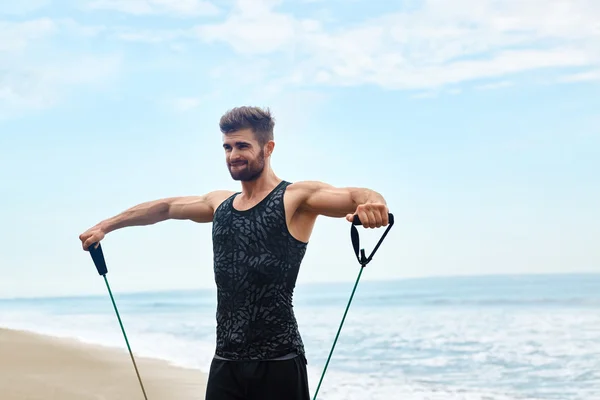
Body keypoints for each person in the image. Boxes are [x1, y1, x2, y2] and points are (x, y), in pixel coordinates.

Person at [79, 106, 391, 400]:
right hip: (225, 361)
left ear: (267, 148)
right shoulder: (220, 205)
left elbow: (352, 195)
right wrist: (107, 225)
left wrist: (373, 201)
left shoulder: (295, 198)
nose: (233, 155)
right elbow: (166, 208)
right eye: (227, 148)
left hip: (279, 361)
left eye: (242, 146)